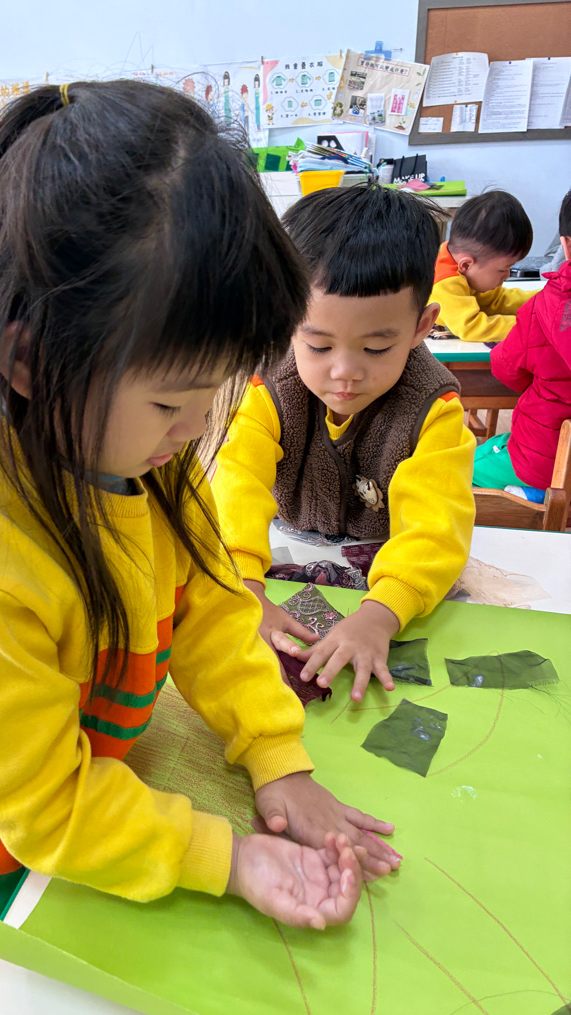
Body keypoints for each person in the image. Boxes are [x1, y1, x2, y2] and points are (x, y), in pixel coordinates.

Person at [0, 82, 399, 1015]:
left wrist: (277, 760)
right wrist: (228, 857)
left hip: (75, 814)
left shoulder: (140, 457)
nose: (193, 430)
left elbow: (213, 608)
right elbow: (48, 809)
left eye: (213, 394)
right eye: (172, 400)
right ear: (28, 360)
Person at [212, 185, 475, 702]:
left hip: (387, 573)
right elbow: (234, 486)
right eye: (318, 345)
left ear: (422, 326)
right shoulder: (269, 390)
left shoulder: (433, 408)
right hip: (285, 555)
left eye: (376, 348)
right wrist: (245, 586)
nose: (345, 372)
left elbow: (436, 528)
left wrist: (381, 615)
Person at [473, 188, 571, 492]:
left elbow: (507, 371)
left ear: (565, 245)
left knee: (457, 466)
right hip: (549, 453)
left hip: (545, 459)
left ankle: (535, 497)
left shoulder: (542, 308)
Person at [430, 190, 536, 342]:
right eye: (502, 269)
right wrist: (533, 325)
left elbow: (496, 301)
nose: (507, 275)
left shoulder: (460, 259)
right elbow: (471, 327)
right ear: (466, 264)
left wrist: (542, 299)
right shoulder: (444, 282)